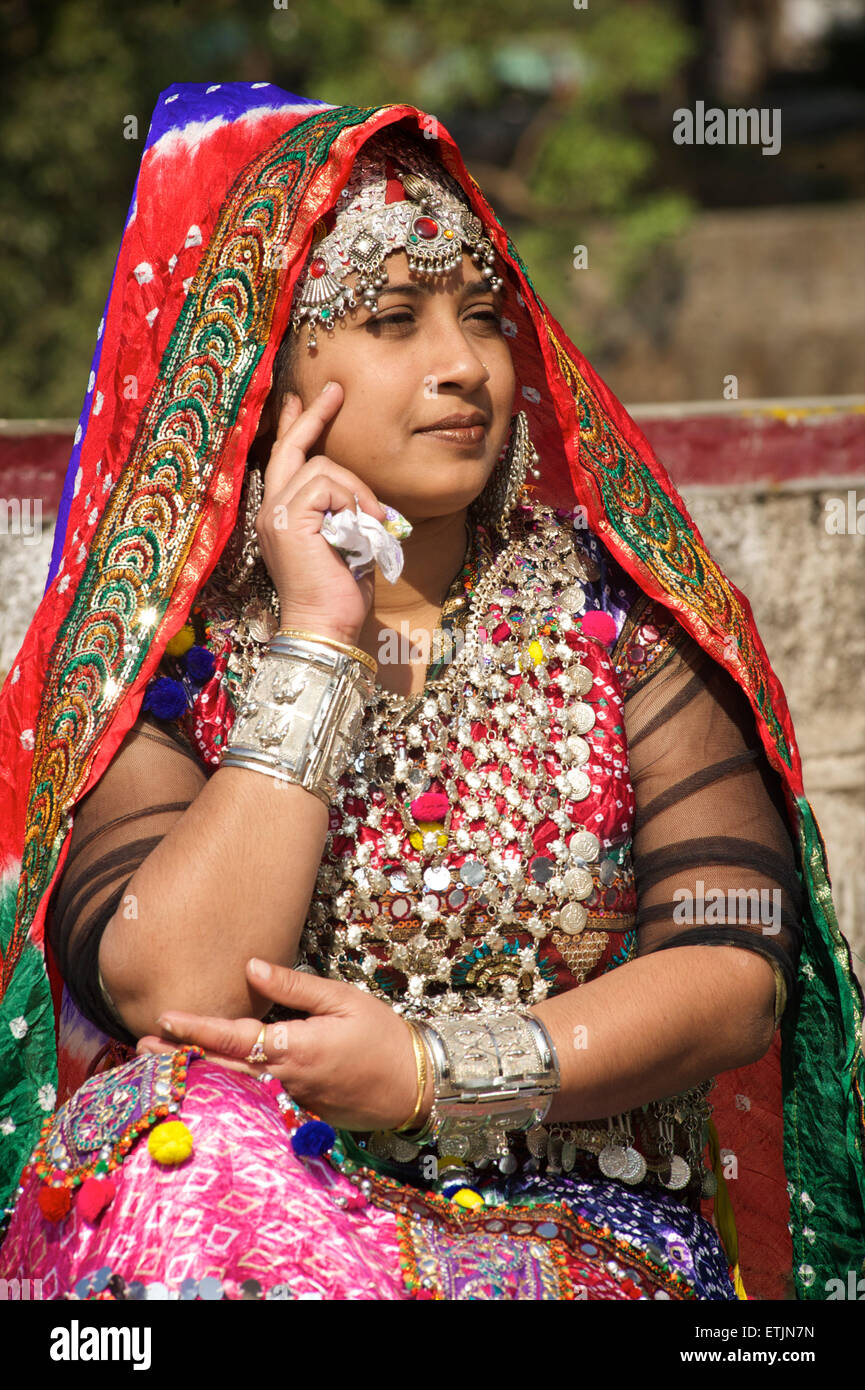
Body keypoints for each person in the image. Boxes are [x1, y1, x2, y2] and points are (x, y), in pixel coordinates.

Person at [0, 84, 861, 1303]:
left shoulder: (617, 623)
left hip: (588, 1232)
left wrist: (432, 1068)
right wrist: (319, 639)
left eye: (484, 316)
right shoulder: (170, 663)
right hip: (268, 1200)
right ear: (265, 372)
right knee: (156, 1163)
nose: (462, 366)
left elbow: (731, 970)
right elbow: (171, 990)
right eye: (394, 319)